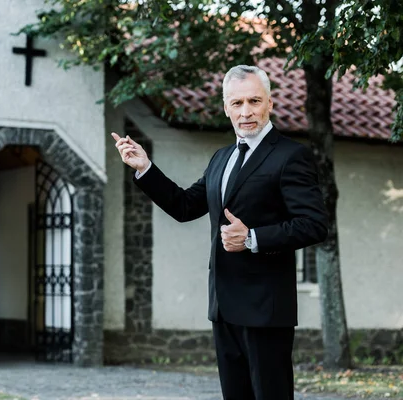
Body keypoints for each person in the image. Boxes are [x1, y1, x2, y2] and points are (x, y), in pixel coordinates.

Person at [111, 65, 328, 400]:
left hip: (266, 309)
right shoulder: (221, 158)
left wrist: (253, 237)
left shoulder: (291, 156)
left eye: (254, 101)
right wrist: (145, 168)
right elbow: (184, 207)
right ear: (226, 107)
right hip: (224, 306)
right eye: (237, 103)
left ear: (269, 103)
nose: (246, 112)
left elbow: (314, 224)